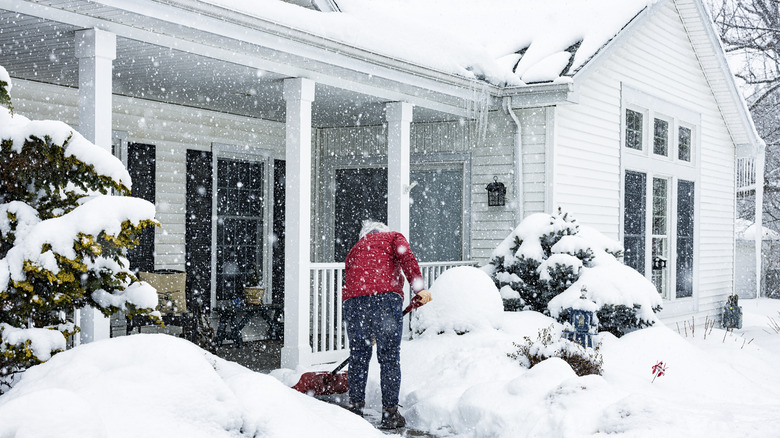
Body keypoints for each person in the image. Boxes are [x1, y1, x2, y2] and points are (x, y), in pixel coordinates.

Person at [342, 220, 432, 429]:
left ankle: (355, 408)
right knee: (389, 356)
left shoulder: (356, 248)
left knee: (359, 355)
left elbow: (351, 277)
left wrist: (363, 316)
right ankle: (390, 414)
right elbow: (407, 259)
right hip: (384, 300)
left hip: (354, 303)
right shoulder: (392, 237)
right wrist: (419, 290)